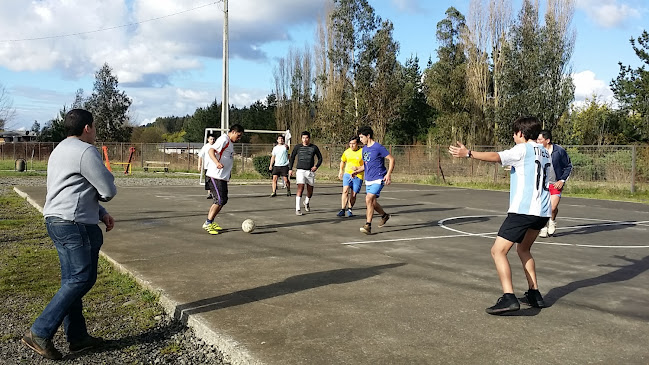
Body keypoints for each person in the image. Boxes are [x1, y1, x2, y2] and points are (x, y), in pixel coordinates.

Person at [22, 109, 117, 360]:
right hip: (74, 224)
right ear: (87, 127)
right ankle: (40, 331)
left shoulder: (60, 150)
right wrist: (105, 198)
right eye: (94, 127)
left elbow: (71, 188)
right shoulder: (86, 151)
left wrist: (100, 212)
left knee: (71, 281)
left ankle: (78, 338)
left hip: (55, 220)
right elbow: (107, 188)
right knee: (82, 278)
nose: (95, 132)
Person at [448, 116, 551, 315]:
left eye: (514, 133)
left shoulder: (522, 149)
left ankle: (509, 297)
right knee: (524, 249)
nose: (514, 137)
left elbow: (496, 156)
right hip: (542, 211)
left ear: (521, 133)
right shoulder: (545, 152)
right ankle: (534, 293)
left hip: (524, 210)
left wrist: (468, 153)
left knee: (498, 251)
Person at [202, 124, 244, 235]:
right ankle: (208, 222)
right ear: (233, 132)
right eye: (238, 136)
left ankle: (211, 221)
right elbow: (211, 150)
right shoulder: (224, 139)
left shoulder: (230, 143)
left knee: (223, 200)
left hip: (222, 177)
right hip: (215, 175)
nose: (239, 138)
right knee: (219, 200)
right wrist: (217, 163)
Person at [354, 126, 394, 235]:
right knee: (373, 202)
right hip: (369, 179)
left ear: (368, 136)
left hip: (379, 178)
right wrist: (357, 171)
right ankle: (384, 215)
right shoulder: (364, 149)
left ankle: (368, 225)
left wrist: (388, 174)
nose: (360, 140)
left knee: (368, 199)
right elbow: (367, 165)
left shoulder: (378, 147)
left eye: (362, 137)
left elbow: (391, 159)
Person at [536, 130, 572, 238]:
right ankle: (543, 227)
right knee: (542, 207)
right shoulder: (537, 151)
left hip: (555, 183)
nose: (537, 141)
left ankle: (552, 220)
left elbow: (568, 166)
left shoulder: (559, 151)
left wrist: (562, 180)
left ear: (547, 140)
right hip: (542, 184)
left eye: (540, 139)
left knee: (552, 208)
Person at [289, 131, 322, 216]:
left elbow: (320, 158)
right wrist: (290, 169)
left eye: (306, 138)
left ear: (309, 138)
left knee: (310, 191)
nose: (305, 140)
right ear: (301, 138)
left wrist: (316, 166)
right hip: (300, 170)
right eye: (303, 138)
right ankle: (298, 208)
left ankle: (306, 202)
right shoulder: (297, 147)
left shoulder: (314, 147)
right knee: (300, 187)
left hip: (310, 171)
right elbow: (292, 157)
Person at [337, 135, 364, 217]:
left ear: (358, 144)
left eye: (353, 144)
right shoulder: (347, 152)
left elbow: (366, 165)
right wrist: (341, 170)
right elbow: (342, 161)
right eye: (350, 143)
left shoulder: (362, 152)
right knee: (345, 191)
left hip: (358, 175)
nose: (351, 145)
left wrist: (358, 168)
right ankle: (342, 209)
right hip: (347, 174)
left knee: (353, 194)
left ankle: (349, 209)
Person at [198, 134, 216, 199]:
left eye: (213, 139)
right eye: (211, 139)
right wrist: (199, 165)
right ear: (208, 139)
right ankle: (209, 193)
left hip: (215, 167)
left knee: (214, 180)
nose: (212, 140)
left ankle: (214, 193)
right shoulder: (205, 147)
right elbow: (200, 156)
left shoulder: (216, 146)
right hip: (207, 167)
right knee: (208, 180)